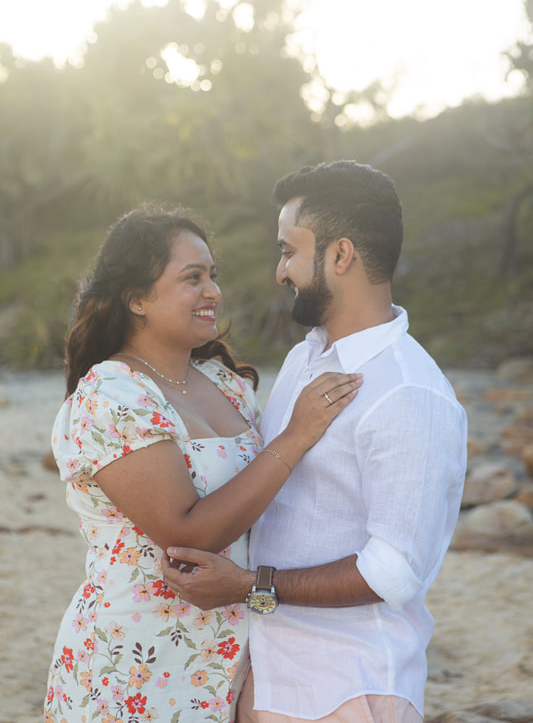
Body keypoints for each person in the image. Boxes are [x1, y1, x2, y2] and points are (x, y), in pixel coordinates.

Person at [161, 161, 468, 723]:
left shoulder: (408, 392)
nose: (280, 271)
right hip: (268, 676)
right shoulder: (305, 358)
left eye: (288, 251)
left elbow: (392, 571)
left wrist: (249, 586)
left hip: (348, 688)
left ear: (340, 255)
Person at [43, 205, 362, 723]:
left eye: (213, 275)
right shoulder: (111, 393)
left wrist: (268, 600)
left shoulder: (228, 385)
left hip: (237, 654)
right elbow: (187, 532)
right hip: (134, 665)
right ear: (137, 299)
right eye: (192, 278)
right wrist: (297, 435)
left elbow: (266, 525)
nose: (212, 291)